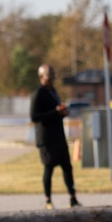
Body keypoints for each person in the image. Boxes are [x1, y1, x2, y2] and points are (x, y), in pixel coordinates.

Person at [30, 64, 80, 210]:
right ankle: (48, 201)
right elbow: (34, 116)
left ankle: (73, 199)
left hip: (59, 137)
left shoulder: (53, 91)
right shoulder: (38, 94)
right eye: (49, 77)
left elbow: (56, 111)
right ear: (41, 77)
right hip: (46, 139)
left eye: (53, 76)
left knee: (67, 168)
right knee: (49, 168)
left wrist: (62, 111)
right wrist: (55, 112)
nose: (52, 79)